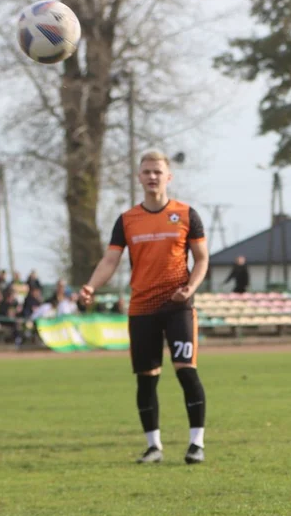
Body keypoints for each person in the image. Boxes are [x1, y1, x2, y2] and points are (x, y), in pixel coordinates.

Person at [79, 150, 210, 465]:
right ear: (139, 177)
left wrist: (189, 288)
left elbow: (202, 259)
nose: (152, 177)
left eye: (157, 172)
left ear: (168, 176)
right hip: (142, 308)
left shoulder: (186, 214)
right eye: (147, 172)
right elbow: (111, 259)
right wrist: (91, 286)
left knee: (186, 372)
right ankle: (154, 447)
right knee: (146, 377)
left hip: (178, 306)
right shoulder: (127, 220)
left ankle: (197, 444)